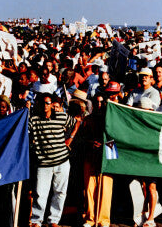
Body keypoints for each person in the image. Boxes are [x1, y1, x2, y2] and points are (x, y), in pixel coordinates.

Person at [29, 93, 78, 227]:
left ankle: (54, 220)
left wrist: (70, 138)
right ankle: (36, 221)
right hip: (43, 163)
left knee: (60, 192)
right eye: (43, 103)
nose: (45, 106)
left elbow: (76, 123)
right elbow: (24, 134)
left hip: (62, 161)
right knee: (40, 193)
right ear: (38, 104)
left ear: (51, 104)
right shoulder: (33, 120)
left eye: (48, 103)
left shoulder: (61, 116)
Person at [80, 95, 112, 227]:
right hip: (90, 156)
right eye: (96, 102)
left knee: (105, 189)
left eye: (101, 102)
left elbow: (115, 138)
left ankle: (103, 219)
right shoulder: (88, 119)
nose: (99, 105)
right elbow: (81, 139)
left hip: (106, 158)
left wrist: (106, 146)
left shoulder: (111, 120)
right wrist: (90, 143)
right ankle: (90, 218)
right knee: (89, 188)